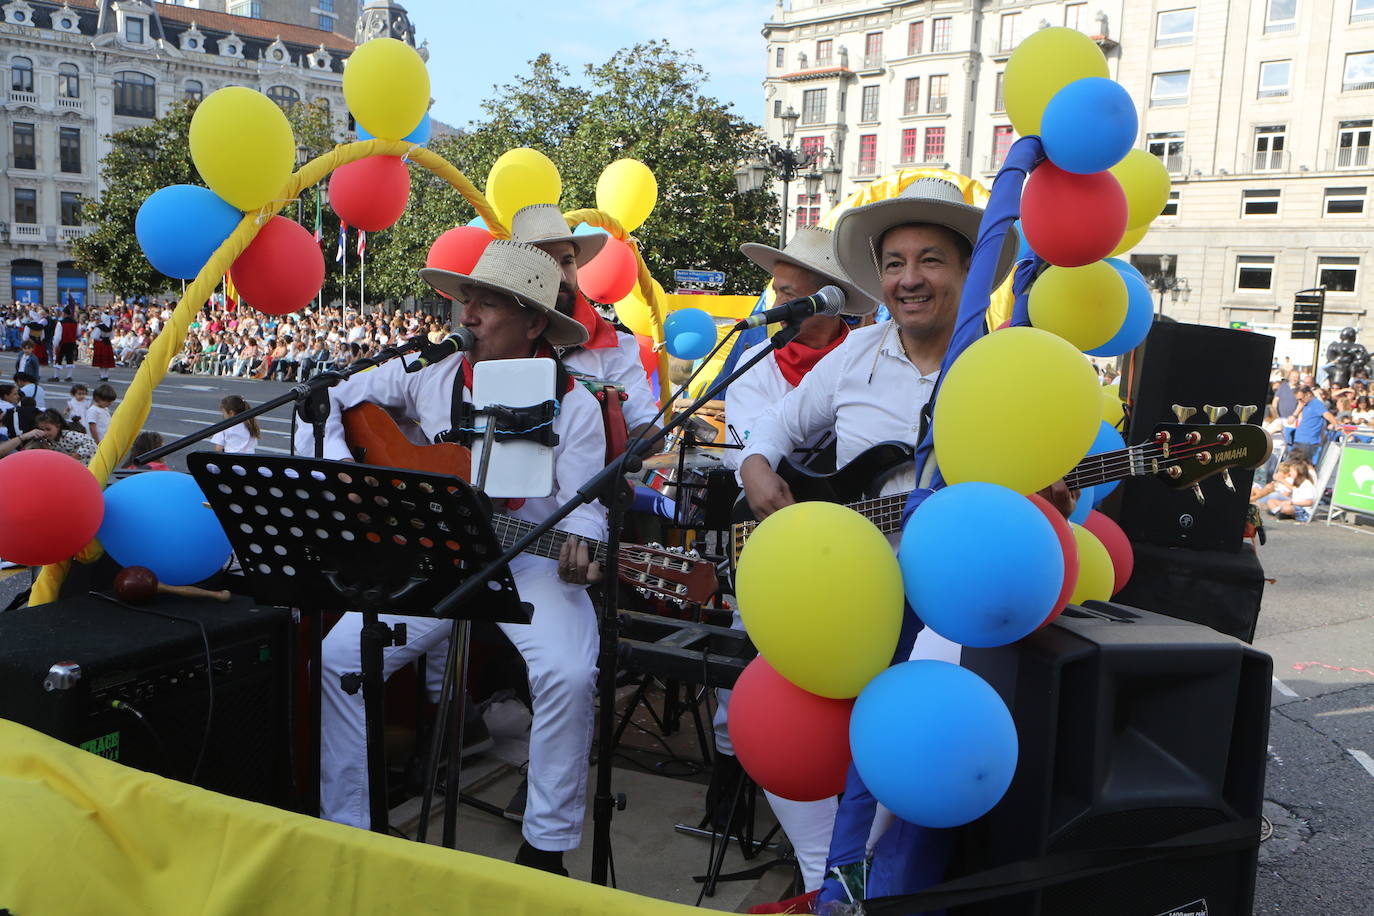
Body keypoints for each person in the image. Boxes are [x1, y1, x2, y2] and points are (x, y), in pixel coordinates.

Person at [739, 178, 1050, 912]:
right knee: (774, 727)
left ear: (971, 273)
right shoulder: (854, 356)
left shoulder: (1000, 368)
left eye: (932, 260)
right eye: (895, 261)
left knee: (904, 743)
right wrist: (756, 470)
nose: (909, 279)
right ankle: (830, 881)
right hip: (842, 596)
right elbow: (775, 429)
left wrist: (1042, 497)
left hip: (945, 606)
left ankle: (859, 889)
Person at [294, 240, 607, 876]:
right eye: (468, 300)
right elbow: (333, 400)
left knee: (570, 674)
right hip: (437, 550)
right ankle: (350, 829)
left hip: (531, 556)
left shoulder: (574, 403)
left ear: (534, 323)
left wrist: (585, 543)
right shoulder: (427, 375)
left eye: (488, 304)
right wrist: (344, 477)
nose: (468, 316)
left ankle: (544, 846)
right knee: (338, 658)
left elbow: (583, 502)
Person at [708, 226, 879, 895]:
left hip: (850, 537)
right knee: (752, 657)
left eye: (788, 288)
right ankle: (731, 773)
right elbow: (744, 441)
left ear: (828, 299)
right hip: (770, 527)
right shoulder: (757, 354)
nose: (775, 298)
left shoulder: (865, 353)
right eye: (777, 286)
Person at [508, 204, 659, 437]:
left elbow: (646, 423)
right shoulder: (494, 339)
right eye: (546, 262)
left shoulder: (614, 343)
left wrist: (627, 450)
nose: (560, 275)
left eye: (567, 261)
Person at [0, 408, 97, 462]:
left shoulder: (68, 435)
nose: (45, 432)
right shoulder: (45, 440)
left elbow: (89, 441)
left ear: (58, 427)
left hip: (85, 465)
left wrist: (78, 455)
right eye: (42, 429)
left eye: (48, 429)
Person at [1289, 384, 1337, 464]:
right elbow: (1300, 406)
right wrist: (1295, 414)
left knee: (1300, 466)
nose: (1300, 402)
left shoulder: (1316, 404)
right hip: (1300, 440)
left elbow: (1328, 416)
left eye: (1301, 399)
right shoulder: (1306, 403)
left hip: (1308, 442)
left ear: (1309, 394)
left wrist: (1338, 426)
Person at [1272, 368, 1301, 447]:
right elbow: (1275, 401)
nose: (1295, 378)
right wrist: (1275, 415)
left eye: (1297, 377)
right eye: (1293, 376)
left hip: (1292, 420)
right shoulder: (1283, 386)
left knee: (1288, 442)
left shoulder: (1300, 389)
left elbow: (1301, 404)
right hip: (1280, 418)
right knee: (1278, 442)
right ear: (1289, 377)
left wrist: (1295, 416)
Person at [51, 308, 80, 381]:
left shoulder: (61, 323)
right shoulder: (75, 323)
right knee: (70, 359)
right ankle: (69, 376)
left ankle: (56, 376)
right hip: (71, 343)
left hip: (62, 343)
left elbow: (58, 335)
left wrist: (55, 344)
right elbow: (78, 333)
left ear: (64, 313)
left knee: (58, 359)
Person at [90, 310, 116, 381]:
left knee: (101, 361)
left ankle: (102, 375)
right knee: (106, 361)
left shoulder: (99, 327)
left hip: (101, 344)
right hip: (107, 343)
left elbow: (94, 336)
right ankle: (106, 375)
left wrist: (101, 339)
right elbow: (112, 337)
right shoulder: (110, 328)